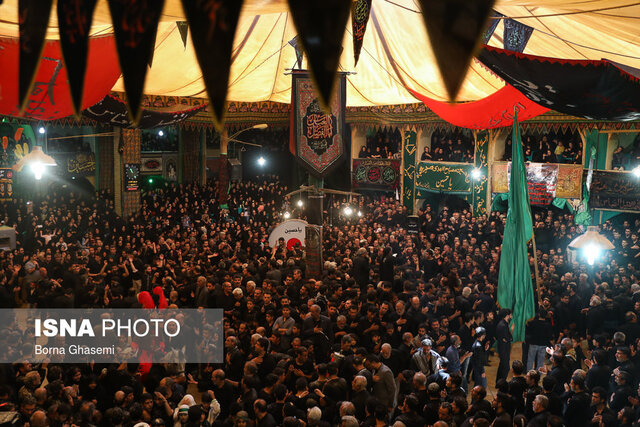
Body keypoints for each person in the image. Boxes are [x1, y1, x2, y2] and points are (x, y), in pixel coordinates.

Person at [496, 309, 514, 384]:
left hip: (505, 348)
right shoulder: (502, 325)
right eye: (510, 314)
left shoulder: (505, 323)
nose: (511, 316)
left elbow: (507, 338)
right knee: (505, 367)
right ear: (507, 315)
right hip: (503, 349)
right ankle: (502, 383)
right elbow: (507, 338)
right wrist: (512, 331)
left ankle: (499, 382)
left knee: (503, 366)